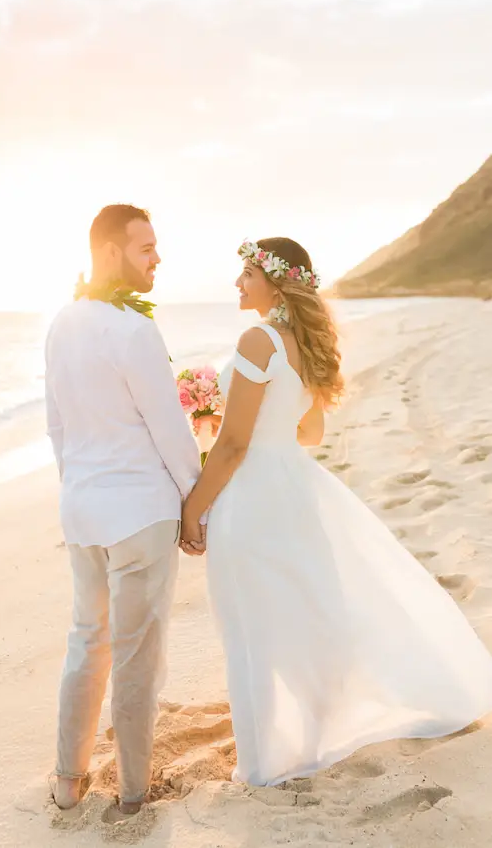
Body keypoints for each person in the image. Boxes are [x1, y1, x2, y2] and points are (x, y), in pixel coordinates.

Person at [181, 236, 492, 787]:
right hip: (295, 487)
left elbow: (232, 447)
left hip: (255, 495)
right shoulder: (303, 341)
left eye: (246, 274)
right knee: (300, 607)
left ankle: (268, 757)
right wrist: (260, 420)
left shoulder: (258, 339)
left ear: (275, 281)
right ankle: (309, 731)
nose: (237, 284)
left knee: (255, 618)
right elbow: (312, 430)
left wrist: (192, 508)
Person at [44, 204, 201, 814]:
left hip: (83, 510)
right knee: (137, 655)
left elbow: (56, 425)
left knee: (87, 642)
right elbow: (168, 428)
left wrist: (78, 487)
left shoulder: (60, 323)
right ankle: (133, 793)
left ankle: (67, 782)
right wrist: (195, 503)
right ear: (110, 252)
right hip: (139, 513)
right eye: (146, 248)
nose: (157, 257)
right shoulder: (135, 331)